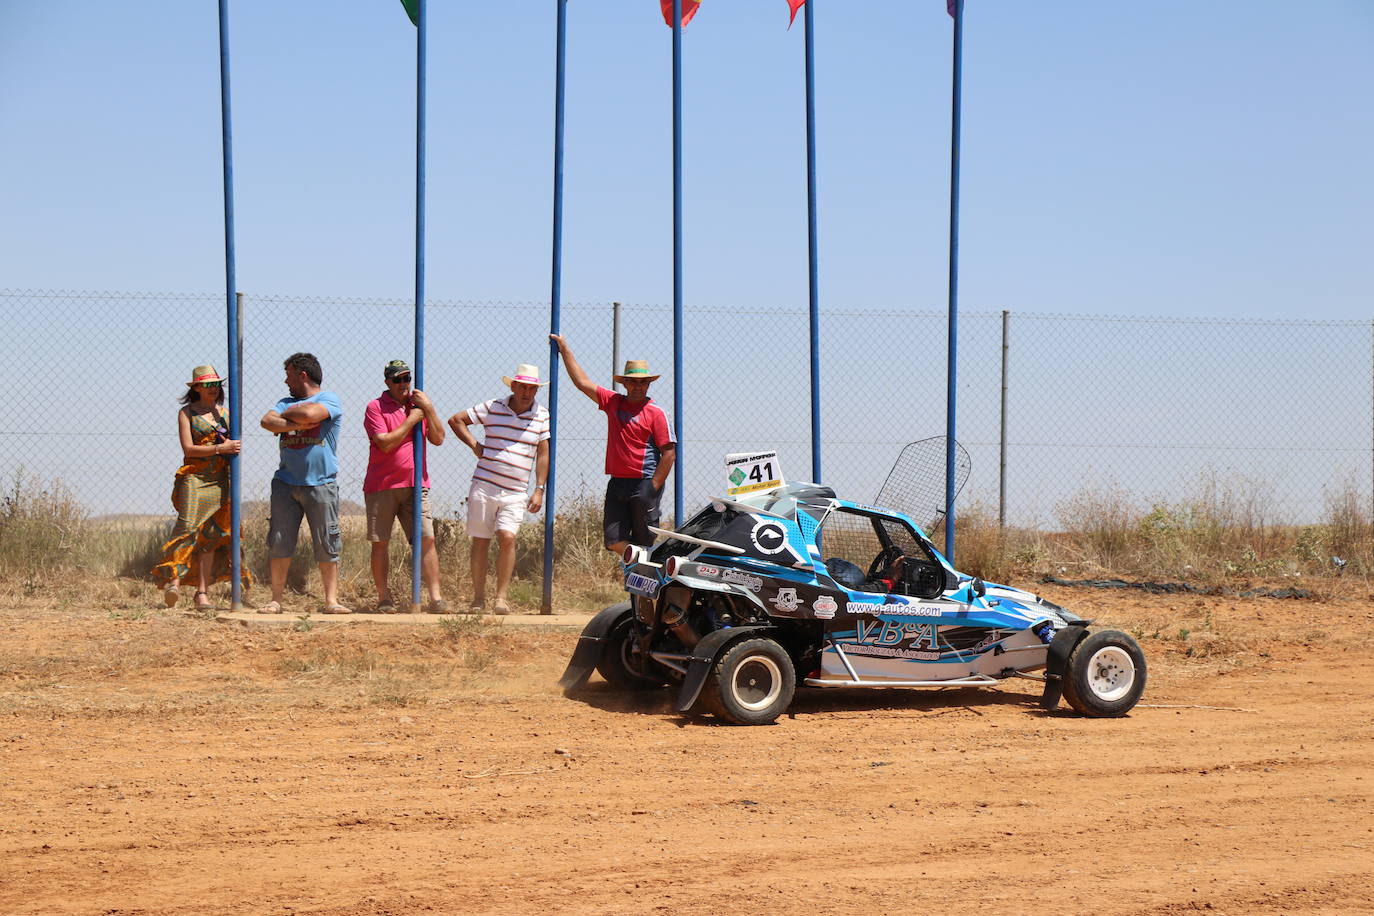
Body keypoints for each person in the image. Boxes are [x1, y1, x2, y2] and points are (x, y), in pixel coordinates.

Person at [549, 335, 675, 555]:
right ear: (624, 383)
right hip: (617, 483)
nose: (638, 386)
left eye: (642, 382)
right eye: (633, 382)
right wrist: (565, 349)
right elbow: (582, 383)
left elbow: (669, 454)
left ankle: (646, 579)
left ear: (648, 384)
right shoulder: (613, 402)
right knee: (614, 541)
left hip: (644, 483)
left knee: (644, 540)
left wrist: (652, 487)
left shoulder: (657, 414)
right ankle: (645, 562)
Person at [447, 364, 551, 615]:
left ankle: (501, 599)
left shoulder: (542, 414)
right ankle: (478, 599)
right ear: (513, 386)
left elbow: (543, 453)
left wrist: (539, 489)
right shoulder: (493, 406)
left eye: (532, 388)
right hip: (484, 485)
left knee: (508, 537)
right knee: (481, 541)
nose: (527, 392)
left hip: (516, 491)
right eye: (523, 386)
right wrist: (475, 445)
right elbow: (456, 420)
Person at [258, 352, 349, 614]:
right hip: (285, 483)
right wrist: (300, 419)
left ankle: (331, 601)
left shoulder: (329, 399)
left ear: (302, 374)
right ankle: (276, 600)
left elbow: (311, 412)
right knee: (279, 541)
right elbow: (266, 421)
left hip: (321, 484)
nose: (286, 381)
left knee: (327, 542)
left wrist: (287, 419)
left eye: (288, 375)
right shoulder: (285, 401)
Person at [152, 365, 249, 609]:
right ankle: (174, 581)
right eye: (207, 385)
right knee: (187, 526)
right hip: (195, 478)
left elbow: (234, 446)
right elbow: (189, 449)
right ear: (195, 388)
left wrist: (229, 448)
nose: (213, 389)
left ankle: (202, 594)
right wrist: (219, 448)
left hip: (220, 480)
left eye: (216, 384)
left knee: (211, 536)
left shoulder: (226, 414)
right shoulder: (186, 414)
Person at [363, 360, 448, 614]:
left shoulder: (418, 406)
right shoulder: (375, 408)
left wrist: (429, 409)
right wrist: (411, 420)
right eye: (398, 380)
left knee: (427, 539)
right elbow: (385, 443)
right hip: (382, 485)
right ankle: (384, 598)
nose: (403, 384)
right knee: (380, 543)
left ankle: (436, 599)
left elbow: (439, 438)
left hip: (416, 485)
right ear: (387, 382)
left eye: (407, 379)